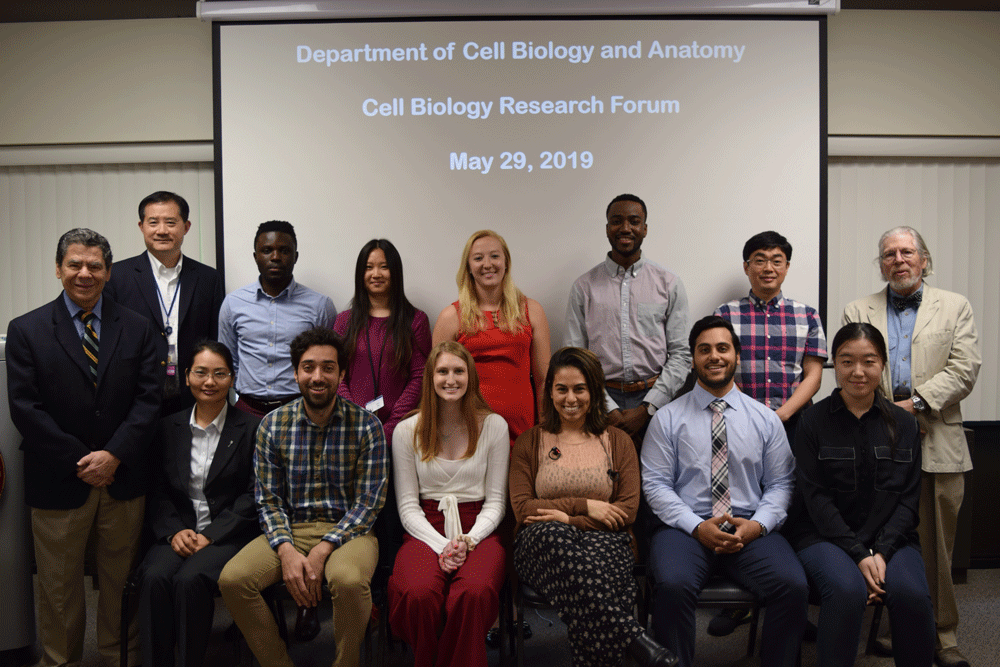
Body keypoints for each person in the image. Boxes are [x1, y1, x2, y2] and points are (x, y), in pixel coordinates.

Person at [6, 228, 161, 667]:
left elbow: (149, 400)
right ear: (58, 269)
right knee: (57, 585)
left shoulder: (138, 327)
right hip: (58, 478)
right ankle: (60, 660)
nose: (84, 273)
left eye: (95, 265)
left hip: (123, 476)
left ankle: (117, 657)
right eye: (74, 264)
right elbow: (25, 408)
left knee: (120, 579)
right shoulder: (26, 329)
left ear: (109, 272)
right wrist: (81, 460)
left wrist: (113, 455)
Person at [842, 226, 980, 667]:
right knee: (885, 537)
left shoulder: (955, 306)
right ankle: (892, 629)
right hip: (877, 440)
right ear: (880, 263)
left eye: (906, 252)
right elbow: (855, 370)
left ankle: (944, 636)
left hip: (938, 438)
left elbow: (964, 369)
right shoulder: (857, 309)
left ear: (924, 259)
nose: (897, 260)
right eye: (888, 254)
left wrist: (914, 406)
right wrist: (892, 417)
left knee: (938, 544)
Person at [641, 315, 807, 667]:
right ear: (694, 358)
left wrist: (759, 525)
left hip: (749, 526)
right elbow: (655, 485)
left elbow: (781, 483)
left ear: (736, 355)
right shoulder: (667, 419)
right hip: (686, 528)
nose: (714, 356)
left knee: (792, 586)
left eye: (722, 348)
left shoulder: (765, 419)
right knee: (671, 586)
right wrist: (696, 526)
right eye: (704, 350)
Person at [218, 326, 387, 667]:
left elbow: (368, 503)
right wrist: (286, 550)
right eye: (308, 367)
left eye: (328, 367)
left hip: (349, 532)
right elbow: (269, 500)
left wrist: (324, 548)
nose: (318, 376)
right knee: (233, 580)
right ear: (296, 373)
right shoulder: (272, 424)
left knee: (348, 580)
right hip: (290, 528)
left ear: (341, 373)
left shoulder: (367, 426)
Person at [510, 347, 676, 667]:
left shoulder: (618, 440)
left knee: (598, 576)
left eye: (579, 389)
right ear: (550, 392)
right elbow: (524, 509)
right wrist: (586, 506)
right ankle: (634, 638)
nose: (570, 398)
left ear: (594, 392)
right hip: (542, 545)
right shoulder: (531, 441)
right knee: (553, 537)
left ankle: (624, 642)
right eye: (562, 389)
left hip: (607, 541)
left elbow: (626, 510)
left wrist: (567, 518)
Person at [784, 323, 934, 667]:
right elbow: (816, 499)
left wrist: (881, 551)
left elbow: (909, 500)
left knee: (911, 594)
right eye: (847, 361)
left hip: (892, 540)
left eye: (869, 361)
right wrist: (857, 552)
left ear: (883, 363)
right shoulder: (812, 422)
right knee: (847, 589)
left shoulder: (905, 424)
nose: (858, 372)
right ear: (834, 364)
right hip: (823, 537)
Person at [710, 229, 827, 636]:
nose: (768, 267)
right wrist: (753, 416)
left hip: (793, 424)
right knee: (743, 502)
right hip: (737, 424)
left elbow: (813, 372)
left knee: (793, 510)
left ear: (787, 267)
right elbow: (718, 367)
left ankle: (791, 603)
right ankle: (745, 598)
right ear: (747, 267)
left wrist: (780, 415)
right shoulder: (726, 313)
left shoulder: (806, 313)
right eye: (759, 259)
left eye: (777, 259)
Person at [137, 340, 261, 667]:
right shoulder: (168, 427)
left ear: (232, 378)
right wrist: (174, 531)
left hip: (227, 534)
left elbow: (254, 493)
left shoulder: (252, 428)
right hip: (178, 529)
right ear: (187, 377)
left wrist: (211, 535)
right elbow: (158, 489)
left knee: (190, 579)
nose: (210, 382)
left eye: (219, 374)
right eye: (201, 373)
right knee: (154, 577)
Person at [388, 341, 508, 667]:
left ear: (471, 377)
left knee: (473, 593)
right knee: (418, 593)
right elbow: (408, 507)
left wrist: (468, 541)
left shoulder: (494, 426)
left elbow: (496, 503)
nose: (450, 379)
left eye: (458, 371)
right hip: (425, 527)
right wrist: (444, 546)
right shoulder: (406, 431)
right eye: (442, 371)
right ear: (430, 377)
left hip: (479, 527)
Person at [565, 193, 690, 448]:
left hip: (658, 400)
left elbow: (681, 354)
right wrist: (607, 408)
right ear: (607, 229)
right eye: (616, 221)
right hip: (599, 401)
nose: (625, 228)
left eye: (634, 221)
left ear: (644, 228)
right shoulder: (584, 287)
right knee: (603, 481)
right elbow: (574, 356)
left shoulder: (669, 284)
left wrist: (648, 408)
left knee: (655, 480)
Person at [105, 191, 226, 416]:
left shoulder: (208, 278)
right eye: (153, 222)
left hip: (193, 399)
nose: (162, 230)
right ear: (141, 226)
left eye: (170, 222)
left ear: (186, 226)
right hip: (136, 400)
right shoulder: (117, 277)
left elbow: (214, 339)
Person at [432, 229, 550, 445]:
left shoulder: (532, 311)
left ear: (506, 263)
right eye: (478, 258)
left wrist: (546, 433)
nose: (487, 264)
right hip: (469, 434)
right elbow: (437, 386)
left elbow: (544, 381)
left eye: (495, 256)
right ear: (468, 267)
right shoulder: (450, 317)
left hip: (524, 432)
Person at [219, 220, 337, 418]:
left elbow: (329, 363)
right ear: (256, 257)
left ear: (295, 256)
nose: (275, 257)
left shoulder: (320, 305)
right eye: (267, 250)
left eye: (284, 250)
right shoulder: (233, 303)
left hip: (299, 410)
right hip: (247, 411)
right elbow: (228, 360)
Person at [333, 238, 431, 445]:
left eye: (384, 267)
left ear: (395, 272)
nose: (376, 274)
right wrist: (355, 419)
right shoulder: (344, 321)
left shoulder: (416, 320)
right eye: (369, 268)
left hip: (401, 430)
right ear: (361, 274)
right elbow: (336, 373)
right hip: (350, 429)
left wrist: (390, 427)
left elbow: (419, 376)